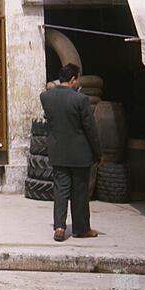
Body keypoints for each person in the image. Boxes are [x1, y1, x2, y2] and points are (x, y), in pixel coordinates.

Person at [39, 63, 100, 242]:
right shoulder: (80, 100)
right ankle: (81, 228)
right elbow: (90, 129)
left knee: (60, 190)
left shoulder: (46, 97)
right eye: (77, 79)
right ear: (73, 79)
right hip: (79, 154)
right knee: (80, 192)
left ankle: (59, 227)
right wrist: (98, 153)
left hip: (58, 152)